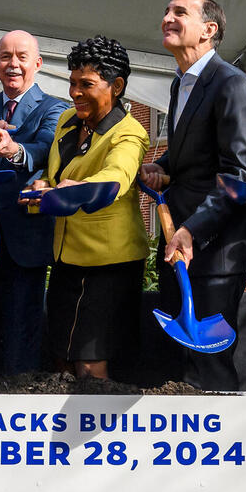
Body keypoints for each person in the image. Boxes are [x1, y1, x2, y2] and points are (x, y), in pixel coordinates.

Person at [138, 0, 246, 392]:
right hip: (180, 243)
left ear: (209, 30)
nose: (168, 18)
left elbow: (237, 173)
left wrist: (193, 230)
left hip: (215, 249)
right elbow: (196, 152)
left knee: (209, 365)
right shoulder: (181, 84)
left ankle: (223, 450)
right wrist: (163, 164)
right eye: (167, 10)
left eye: (180, 12)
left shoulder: (232, 85)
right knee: (181, 366)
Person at [25, 36, 149, 379]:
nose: (75, 92)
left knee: (90, 363)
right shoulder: (67, 121)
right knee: (60, 359)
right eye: (72, 83)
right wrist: (43, 187)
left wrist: (76, 188)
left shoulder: (130, 133)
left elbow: (116, 177)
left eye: (87, 85)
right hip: (66, 259)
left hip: (109, 264)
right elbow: (56, 176)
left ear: (117, 85)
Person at [0, 30, 68, 376]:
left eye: (21, 57)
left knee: (21, 332)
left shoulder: (56, 109)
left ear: (37, 64)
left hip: (24, 240)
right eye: (5, 57)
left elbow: (42, 150)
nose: (13, 64)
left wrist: (10, 148)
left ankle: (18, 406)